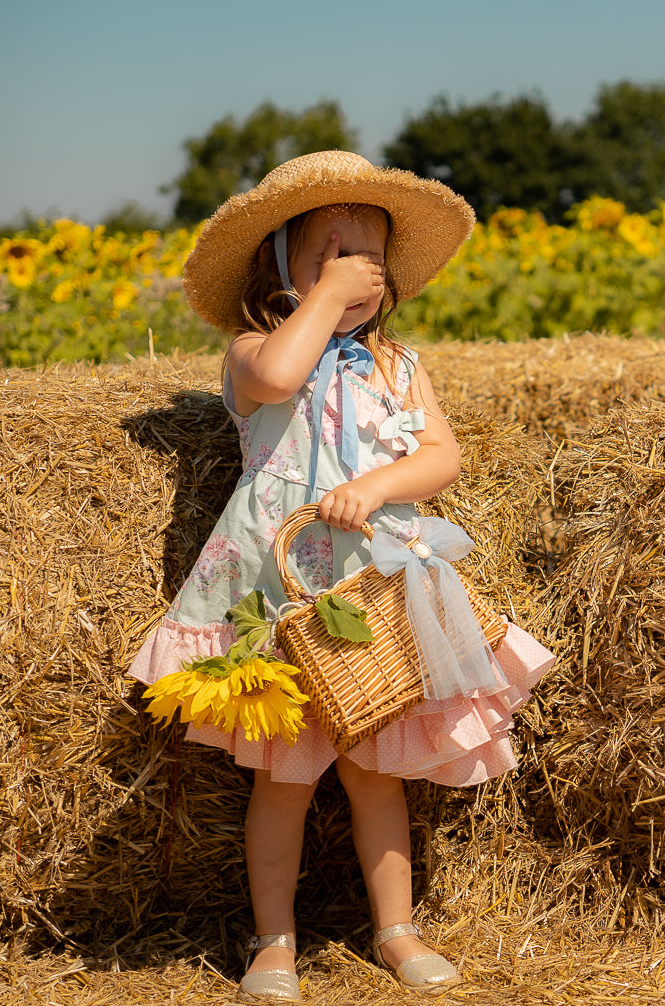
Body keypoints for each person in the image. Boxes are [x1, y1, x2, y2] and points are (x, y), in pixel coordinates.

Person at [128, 150, 554, 1001]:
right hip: (276, 590)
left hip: (374, 588)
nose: (355, 274)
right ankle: (273, 942)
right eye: (329, 256)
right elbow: (285, 375)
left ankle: (396, 929)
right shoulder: (253, 353)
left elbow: (441, 456)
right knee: (284, 776)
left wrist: (375, 486)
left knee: (375, 769)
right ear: (279, 268)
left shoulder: (398, 366)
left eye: (367, 261)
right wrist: (321, 300)